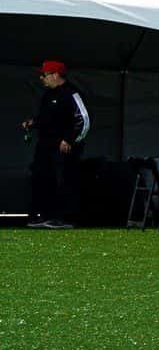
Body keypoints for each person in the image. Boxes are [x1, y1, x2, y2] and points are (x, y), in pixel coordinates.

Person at [19, 59, 90, 229]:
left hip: (64, 148)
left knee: (64, 181)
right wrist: (33, 123)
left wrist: (69, 140)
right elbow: (46, 118)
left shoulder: (72, 93)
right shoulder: (48, 95)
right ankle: (44, 215)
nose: (41, 78)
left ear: (55, 75)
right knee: (42, 179)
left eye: (44, 75)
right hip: (45, 147)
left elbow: (84, 120)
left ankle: (64, 218)